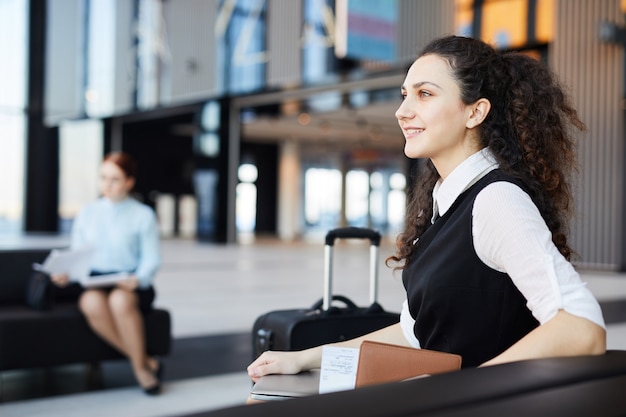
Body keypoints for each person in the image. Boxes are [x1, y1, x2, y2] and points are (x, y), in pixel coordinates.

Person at [247, 35, 606, 381]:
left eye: (425, 94)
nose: (403, 111)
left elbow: (580, 325)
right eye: (405, 95)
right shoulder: (447, 205)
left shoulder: (495, 200)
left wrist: (472, 389)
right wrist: (305, 358)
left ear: (475, 112)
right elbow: (414, 333)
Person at [51, 151, 163, 395]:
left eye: (114, 179)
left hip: (131, 282)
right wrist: (66, 272)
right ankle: (144, 359)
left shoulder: (143, 215)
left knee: (120, 301)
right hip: (97, 280)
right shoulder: (88, 212)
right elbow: (77, 253)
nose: (107, 185)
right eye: (103, 178)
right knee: (90, 302)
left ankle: (140, 371)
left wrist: (138, 279)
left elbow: (152, 258)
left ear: (129, 182)